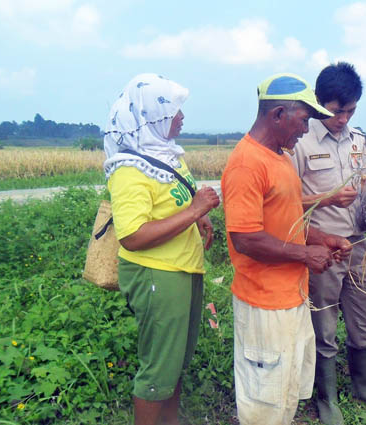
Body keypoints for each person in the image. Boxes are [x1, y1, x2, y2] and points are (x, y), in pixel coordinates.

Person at [221, 73, 353, 425]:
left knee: (285, 391)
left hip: (291, 297)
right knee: (264, 400)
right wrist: (305, 255)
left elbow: (288, 222)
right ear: (278, 114)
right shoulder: (247, 163)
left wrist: (321, 239)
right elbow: (244, 238)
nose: (306, 130)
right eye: (304, 119)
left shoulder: (280, 158)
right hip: (264, 304)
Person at [104, 73, 221, 425]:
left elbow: (173, 202)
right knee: (159, 366)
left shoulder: (166, 156)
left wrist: (195, 217)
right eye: (175, 111)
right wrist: (194, 211)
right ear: (151, 118)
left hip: (182, 269)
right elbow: (133, 236)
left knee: (175, 360)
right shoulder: (128, 169)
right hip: (157, 274)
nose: (182, 118)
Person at [290, 62, 366, 424]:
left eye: (350, 111)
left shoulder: (357, 140)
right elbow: (284, 203)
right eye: (337, 111)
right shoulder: (300, 143)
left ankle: (364, 387)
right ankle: (327, 398)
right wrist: (325, 199)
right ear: (320, 103)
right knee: (323, 321)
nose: (343, 118)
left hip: (357, 244)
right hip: (321, 246)